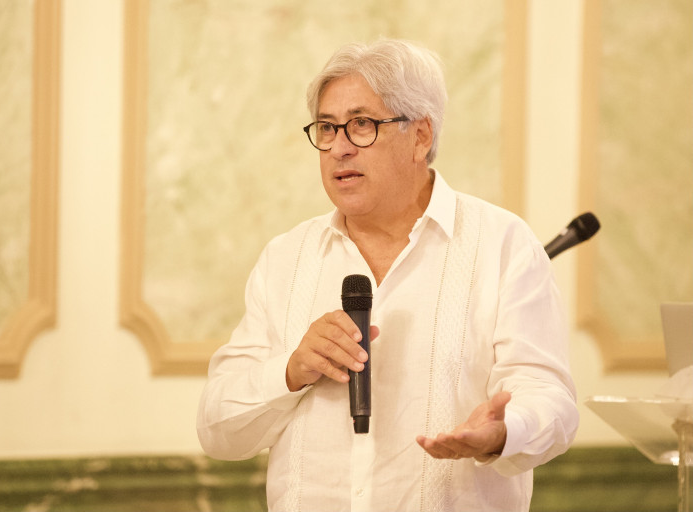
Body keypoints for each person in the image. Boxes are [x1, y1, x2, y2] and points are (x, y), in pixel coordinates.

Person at [197, 39, 578, 511]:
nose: (339, 148)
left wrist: (504, 433)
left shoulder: (502, 245)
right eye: (326, 128)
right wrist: (290, 371)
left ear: (420, 136)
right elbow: (217, 431)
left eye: (361, 125)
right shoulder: (285, 258)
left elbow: (552, 403)